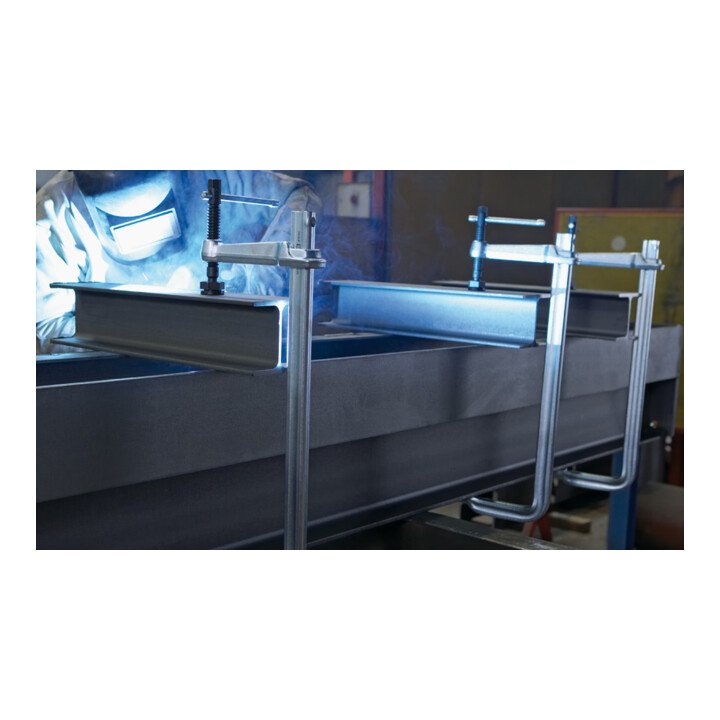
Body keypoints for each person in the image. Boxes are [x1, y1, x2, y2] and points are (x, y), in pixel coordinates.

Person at [36, 170, 321, 354]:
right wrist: (140, 336)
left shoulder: (206, 173)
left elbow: (301, 198)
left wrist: (257, 284)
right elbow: (44, 329)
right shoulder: (53, 215)